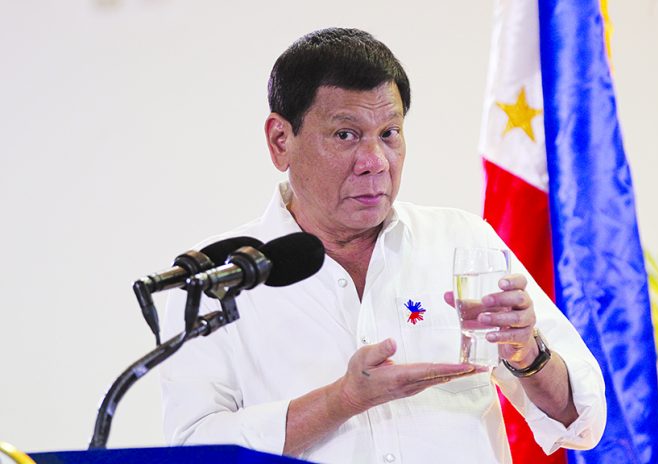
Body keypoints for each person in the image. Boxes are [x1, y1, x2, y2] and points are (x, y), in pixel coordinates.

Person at [160, 28, 606, 463]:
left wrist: (529, 354)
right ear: (281, 141)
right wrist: (341, 401)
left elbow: (581, 419)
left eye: (389, 133)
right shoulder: (217, 276)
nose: (374, 162)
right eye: (345, 135)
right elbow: (193, 449)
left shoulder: (460, 242)